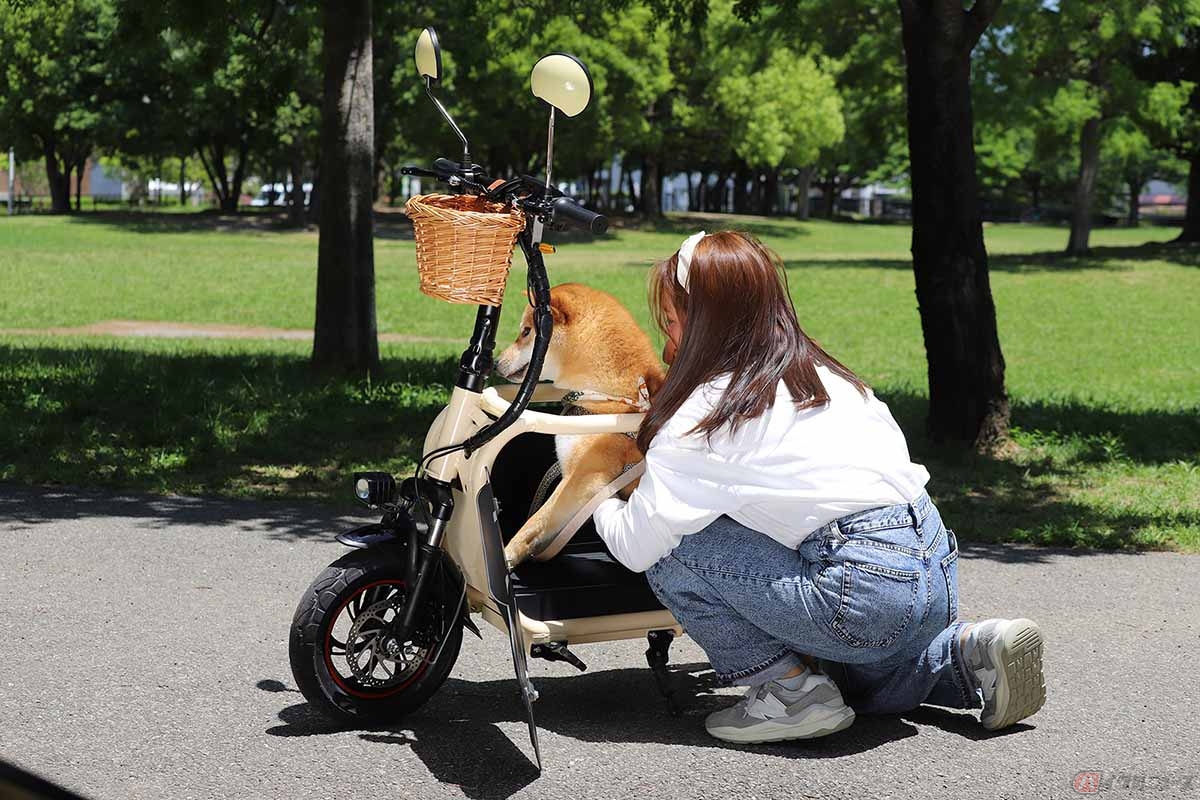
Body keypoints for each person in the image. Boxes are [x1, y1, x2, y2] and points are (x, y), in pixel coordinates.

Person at [592, 230, 1046, 745]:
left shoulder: (705, 416)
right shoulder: (829, 377)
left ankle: (789, 695)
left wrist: (599, 488)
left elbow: (636, 546)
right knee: (853, 671)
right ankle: (965, 654)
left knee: (673, 547)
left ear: (703, 322)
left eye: (671, 323)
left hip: (862, 592)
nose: (667, 343)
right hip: (934, 574)